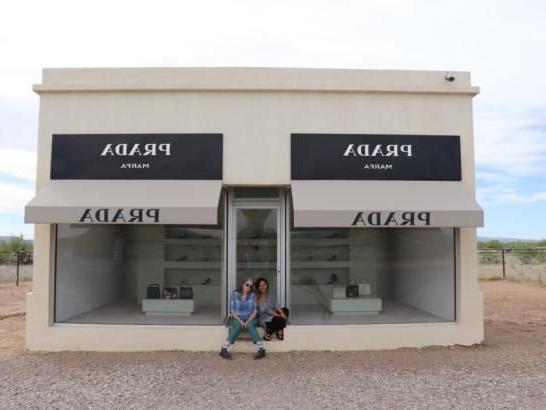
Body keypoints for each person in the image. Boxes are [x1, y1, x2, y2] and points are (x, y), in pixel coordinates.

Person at [219, 277, 266, 360]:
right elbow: (232, 311)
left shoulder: (253, 295)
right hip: (237, 318)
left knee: (250, 324)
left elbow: (255, 312)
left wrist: (247, 321)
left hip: (250, 318)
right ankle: (224, 349)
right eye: (247, 285)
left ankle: (261, 349)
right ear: (242, 284)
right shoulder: (235, 294)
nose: (249, 288)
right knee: (237, 325)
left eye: (251, 286)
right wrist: (241, 321)